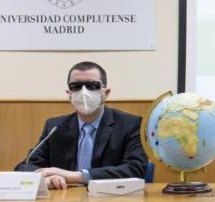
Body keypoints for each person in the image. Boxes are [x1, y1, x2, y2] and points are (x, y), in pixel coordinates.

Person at [15, 61, 147, 189]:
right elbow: (25, 166)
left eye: (92, 86)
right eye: (76, 86)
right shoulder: (55, 127)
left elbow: (136, 169)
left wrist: (76, 176)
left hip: (111, 201)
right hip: (64, 201)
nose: (84, 91)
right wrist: (44, 178)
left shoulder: (131, 124)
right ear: (69, 94)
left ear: (105, 93)